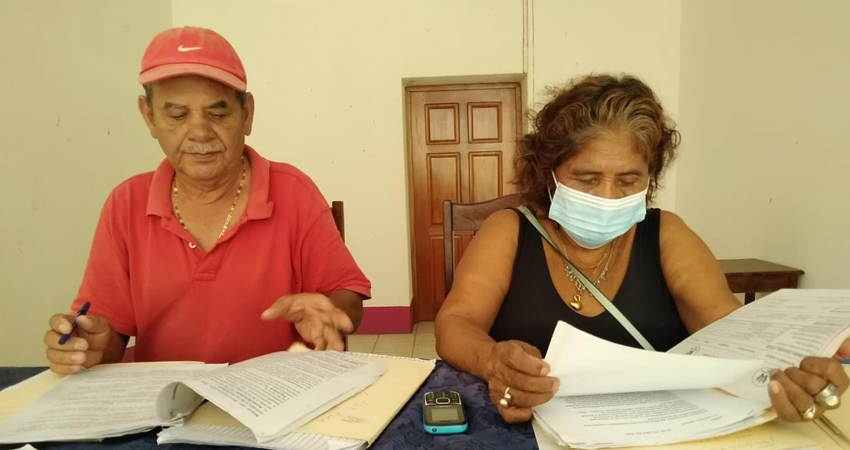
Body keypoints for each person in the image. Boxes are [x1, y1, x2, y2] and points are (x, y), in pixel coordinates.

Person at [434, 74, 849, 424]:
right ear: (550, 173)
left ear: (649, 179)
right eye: (587, 178)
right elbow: (454, 323)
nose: (609, 196)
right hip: (531, 430)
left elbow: (727, 327)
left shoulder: (666, 233)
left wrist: (786, 367)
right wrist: (493, 361)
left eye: (629, 181)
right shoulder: (508, 230)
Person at [43, 27, 371, 374]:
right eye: (177, 114)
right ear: (149, 117)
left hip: (275, 400)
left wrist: (331, 311)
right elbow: (108, 331)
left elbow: (346, 296)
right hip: (165, 408)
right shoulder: (125, 204)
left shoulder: (294, 192)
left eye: (217, 113)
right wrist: (87, 345)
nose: (199, 132)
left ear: (247, 114)